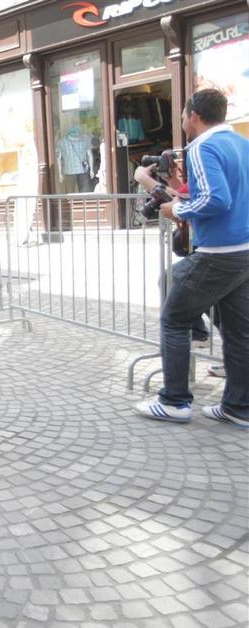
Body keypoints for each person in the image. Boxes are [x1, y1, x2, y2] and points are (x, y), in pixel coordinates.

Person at [134, 88, 249, 429]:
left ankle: (174, 401)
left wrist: (178, 209)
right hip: (243, 252)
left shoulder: (202, 146)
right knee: (239, 332)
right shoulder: (241, 144)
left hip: (218, 253)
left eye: (183, 115)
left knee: (174, 318)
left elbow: (216, 199)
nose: (183, 121)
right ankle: (239, 407)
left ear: (194, 116)